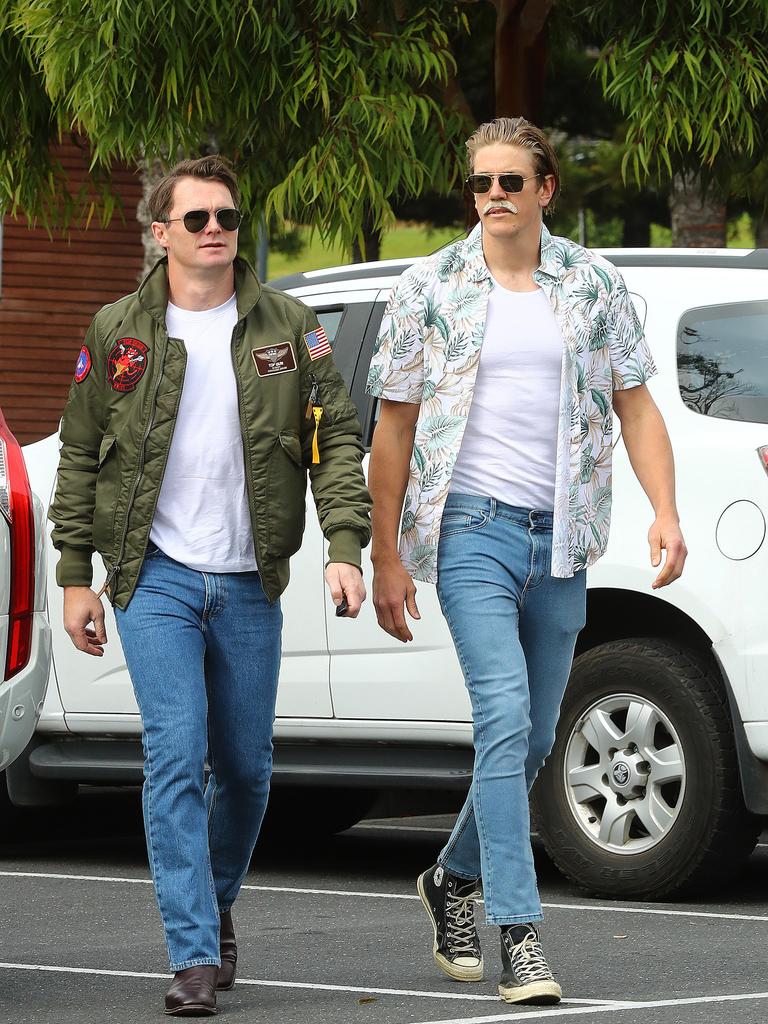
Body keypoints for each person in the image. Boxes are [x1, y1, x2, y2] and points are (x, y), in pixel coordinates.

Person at [366, 117, 687, 1006]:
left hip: (562, 536)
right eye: (481, 183)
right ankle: (522, 931)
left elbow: (636, 405)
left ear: (546, 188)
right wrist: (385, 554)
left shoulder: (592, 283)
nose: (494, 196)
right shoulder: (428, 285)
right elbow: (391, 429)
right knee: (503, 715)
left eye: (512, 180)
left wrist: (665, 511)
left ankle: (451, 876)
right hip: (470, 529)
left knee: (536, 736)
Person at [49, 156, 371, 1016]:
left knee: (248, 770)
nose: (215, 228)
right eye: (195, 219)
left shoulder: (290, 326)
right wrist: (74, 576)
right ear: (160, 234)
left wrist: (346, 543)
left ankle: (214, 899)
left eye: (226, 215)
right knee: (174, 759)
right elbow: (79, 455)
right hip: (153, 577)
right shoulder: (117, 331)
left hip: (249, 579)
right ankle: (192, 952)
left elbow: (335, 438)